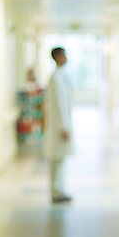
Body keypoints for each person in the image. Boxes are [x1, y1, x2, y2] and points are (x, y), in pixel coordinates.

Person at [45, 47, 74, 203]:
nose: (66, 58)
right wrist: (64, 127)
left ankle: (60, 189)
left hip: (61, 124)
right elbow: (60, 104)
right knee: (57, 159)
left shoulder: (61, 76)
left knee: (60, 159)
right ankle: (56, 192)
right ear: (57, 57)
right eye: (64, 55)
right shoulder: (55, 77)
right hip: (58, 126)